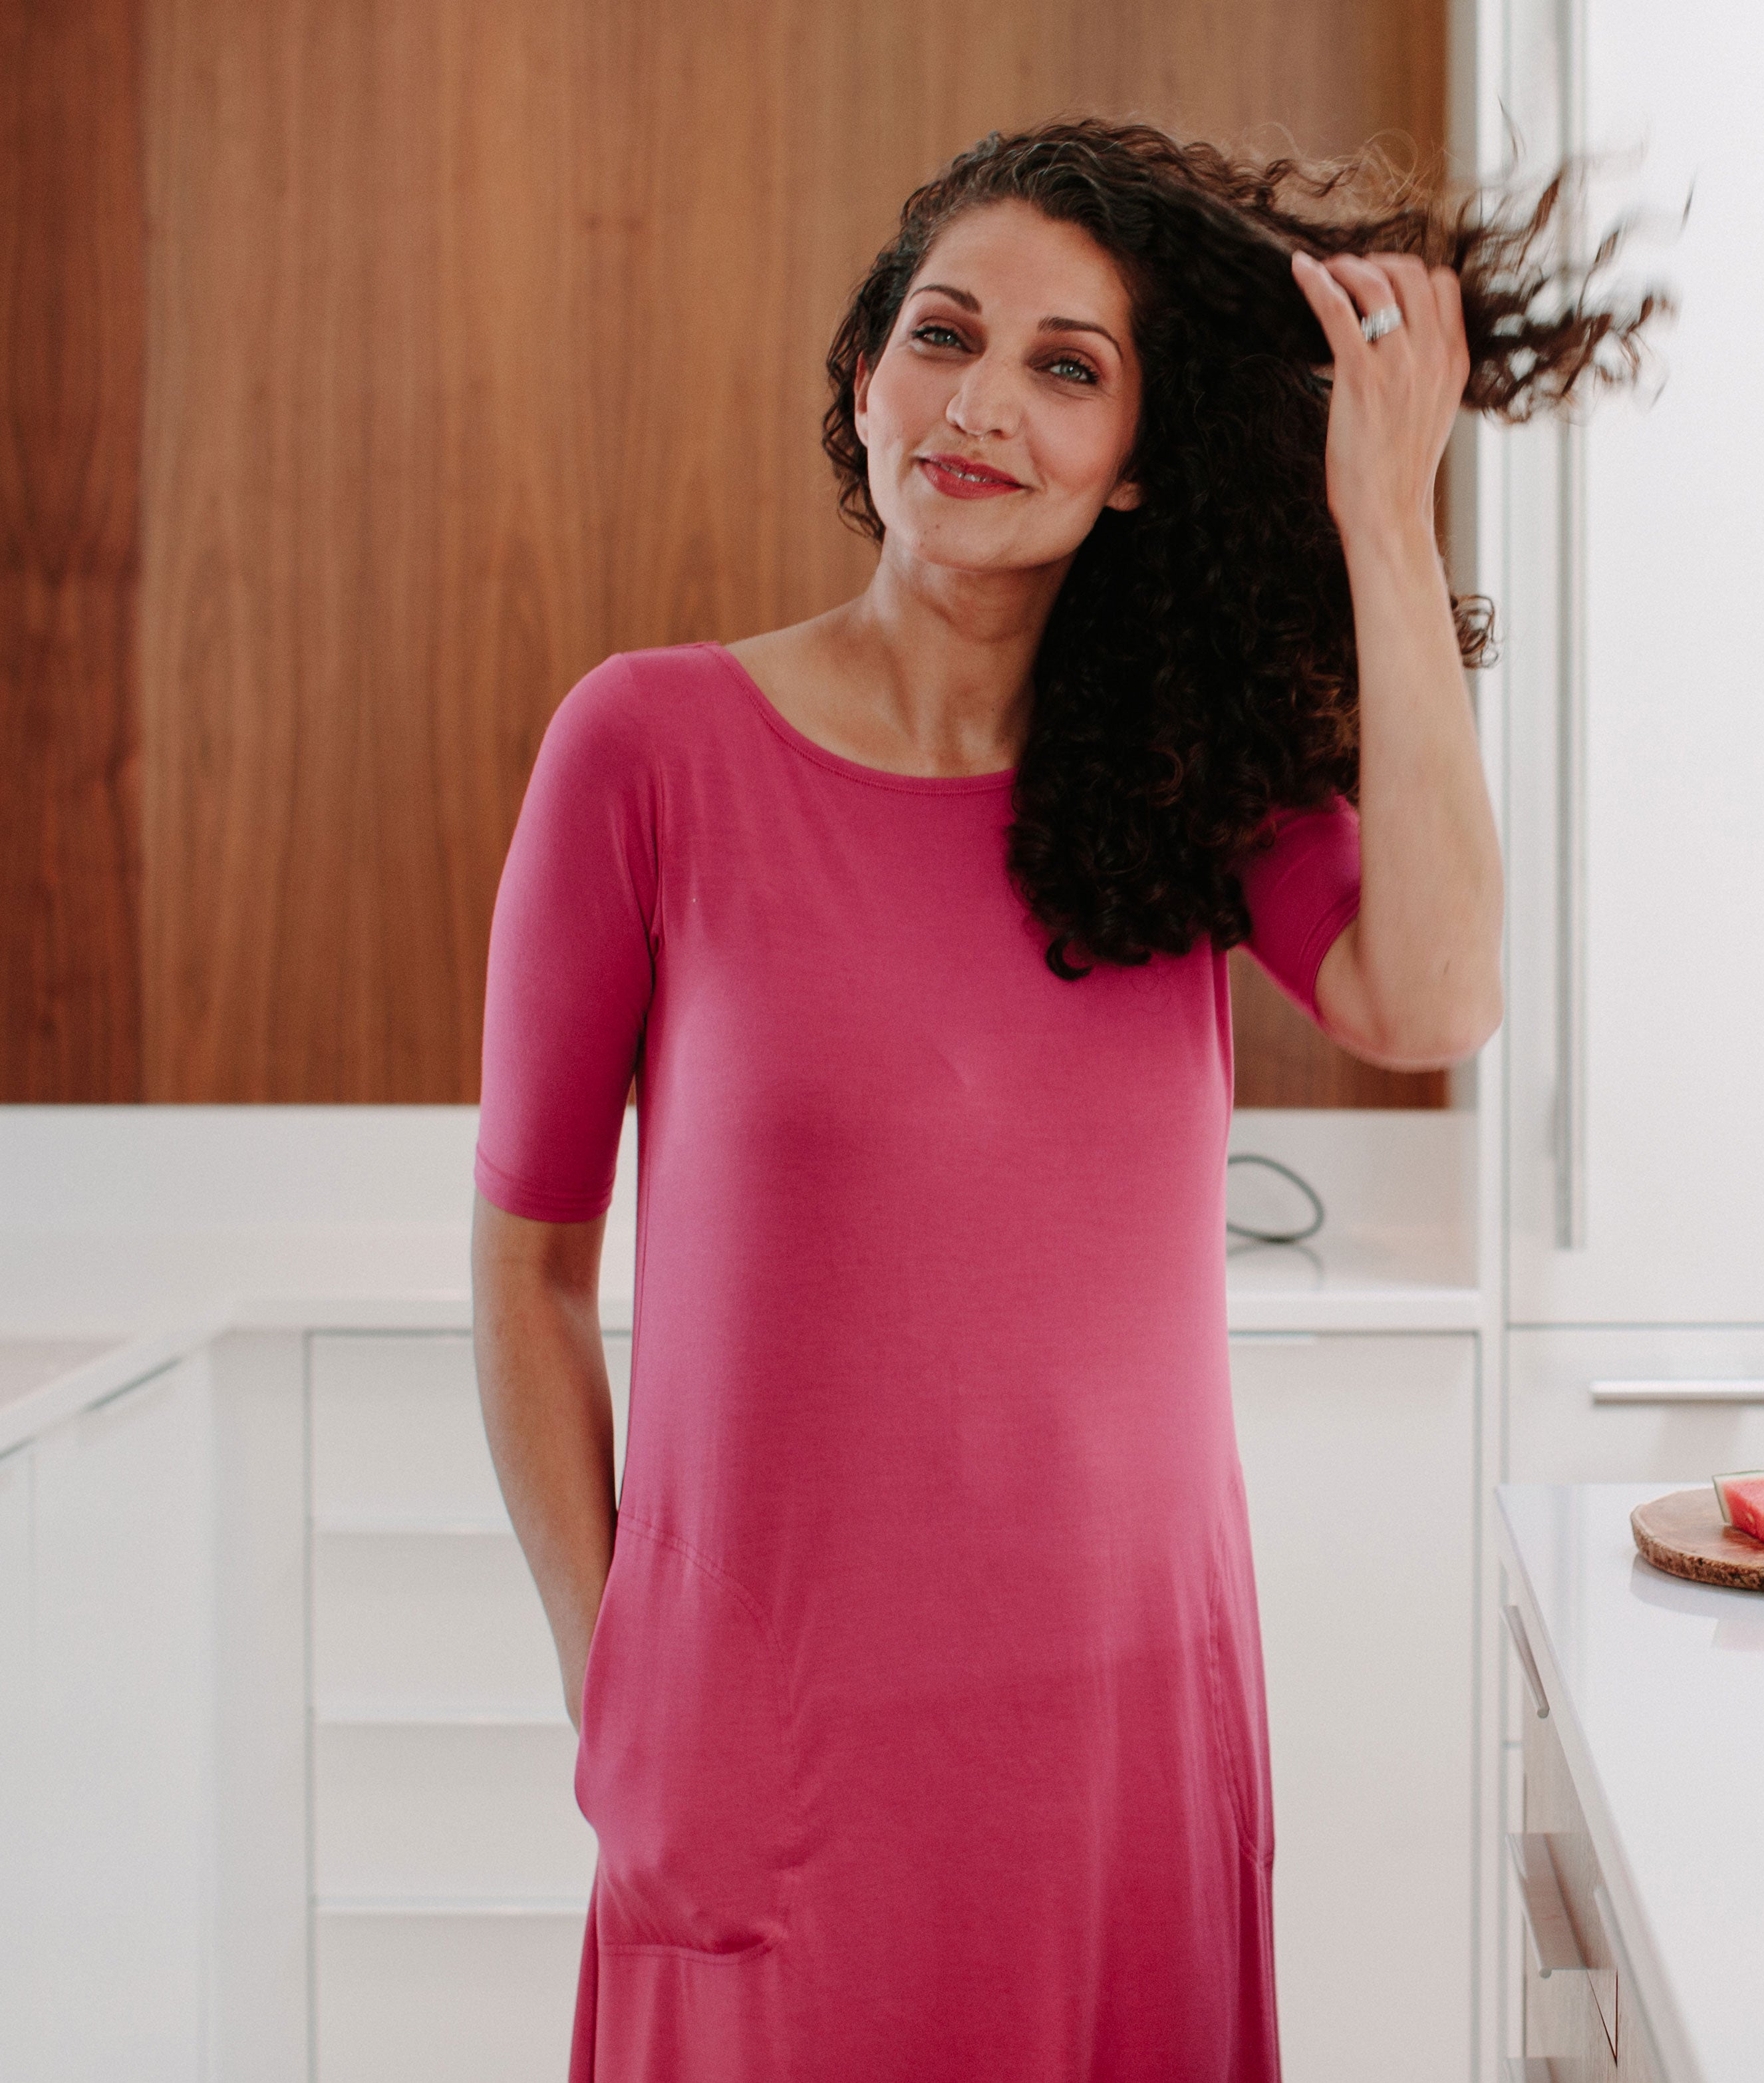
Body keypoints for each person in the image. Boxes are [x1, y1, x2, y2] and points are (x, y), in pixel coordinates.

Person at [465, 120, 1654, 2080]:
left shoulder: (1187, 784)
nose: (980, 403)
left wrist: (1384, 516)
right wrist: (616, 1685)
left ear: (1131, 474)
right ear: (863, 382)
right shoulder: (648, 746)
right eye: (941, 336)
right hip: (767, 1741)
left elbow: (1433, 993)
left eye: (1065, 368)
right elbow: (523, 1271)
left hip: (1120, 1738)